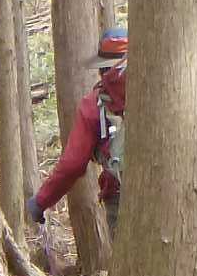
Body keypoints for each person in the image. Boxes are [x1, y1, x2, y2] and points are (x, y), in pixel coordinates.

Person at [25, 27, 129, 236]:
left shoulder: (93, 104)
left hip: (120, 197)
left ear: (102, 68)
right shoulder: (157, 89)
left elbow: (72, 164)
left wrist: (40, 201)